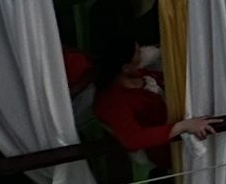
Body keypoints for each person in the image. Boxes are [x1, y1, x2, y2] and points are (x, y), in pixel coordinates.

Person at [91, 32, 217, 172]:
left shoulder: (137, 74)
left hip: (187, 130)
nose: (142, 52)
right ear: (125, 67)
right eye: (138, 52)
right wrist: (183, 126)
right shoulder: (113, 102)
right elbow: (133, 139)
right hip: (171, 150)